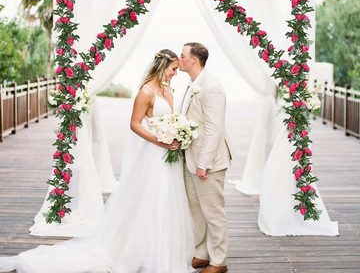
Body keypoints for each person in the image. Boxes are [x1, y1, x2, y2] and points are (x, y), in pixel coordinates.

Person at [0, 49, 195, 273]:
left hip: (168, 157)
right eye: (173, 69)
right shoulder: (146, 91)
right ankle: (141, 252)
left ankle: (162, 253)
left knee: (167, 200)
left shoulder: (168, 89)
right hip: (153, 154)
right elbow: (135, 124)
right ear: (162, 67)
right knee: (151, 200)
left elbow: (171, 118)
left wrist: (177, 133)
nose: (175, 74)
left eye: (177, 70)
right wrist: (159, 140)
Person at [179, 42, 232, 273]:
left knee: (213, 211)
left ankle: (219, 260)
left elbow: (213, 128)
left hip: (208, 162)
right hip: (190, 157)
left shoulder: (211, 87)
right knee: (195, 209)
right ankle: (202, 253)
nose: (178, 59)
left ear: (194, 60)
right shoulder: (193, 84)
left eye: (182, 55)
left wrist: (204, 164)